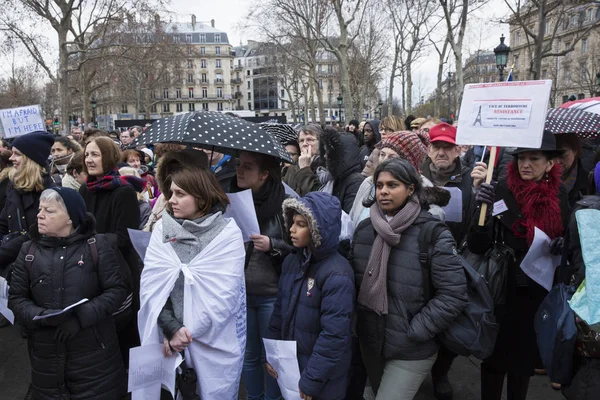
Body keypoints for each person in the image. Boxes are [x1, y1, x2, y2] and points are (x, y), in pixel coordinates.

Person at [351, 159, 468, 399]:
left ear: (411, 189)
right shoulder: (364, 230)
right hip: (372, 344)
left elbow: (454, 294)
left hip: (411, 347)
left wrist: (416, 330)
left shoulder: (432, 233)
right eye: (379, 185)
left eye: (393, 185)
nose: (383, 191)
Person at [468, 130, 570, 400]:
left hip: (537, 292)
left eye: (533, 158)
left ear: (550, 164)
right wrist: (482, 211)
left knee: (523, 362)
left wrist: (562, 244)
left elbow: (568, 238)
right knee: (494, 359)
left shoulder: (560, 195)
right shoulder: (498, 189)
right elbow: (477, 245)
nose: (525, 164)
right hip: (502, 289)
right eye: (521, 158)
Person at [138, 164, 246, 399]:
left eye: (180, 194)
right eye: (171, 193)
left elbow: (225, 297)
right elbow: (152, 289)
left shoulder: (227, 234)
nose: (171, 200)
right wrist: (171, 328)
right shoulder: (161, 231)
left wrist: (184, 336)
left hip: (213, 341)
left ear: (200, 196)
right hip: (168, 337)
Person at [8, 187, 128, 399]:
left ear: (71, 218)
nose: (40, 215)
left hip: (96, 360)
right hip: (46, 359)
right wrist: (41, 316)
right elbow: (16, 298)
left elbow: (117, 290)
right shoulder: (28, 250)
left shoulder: (97, 246)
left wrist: (81, 317)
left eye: (50, 211)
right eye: (40, 209)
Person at [266, 192, 355, 400]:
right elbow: (279, 312)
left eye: (301, 224)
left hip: (322, 379)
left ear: (317, 229)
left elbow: (334, 335)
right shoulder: (292, 261)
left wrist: (312, 380)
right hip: (293, 368)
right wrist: (272, 355)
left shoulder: (337, 274)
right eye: (292, 222)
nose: (291, 229)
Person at [231, 151, 292, 400]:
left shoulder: (285, 204)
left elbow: (299, 249)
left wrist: (273, 245)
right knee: (248, 355)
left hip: (272, 295)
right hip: (241, 295)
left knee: (272, 357)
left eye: (247, 167)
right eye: (238, 165)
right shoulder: (230, 201)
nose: (239, 171)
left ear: (264, 175)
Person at [79, 136, 141, 366]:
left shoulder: (123, 191)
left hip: (119, 270)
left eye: (95, 154)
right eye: (87, 155)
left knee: (124, 332)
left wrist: (91, 241)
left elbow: (125, 238)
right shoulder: (85, 189)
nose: (89, 159)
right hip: (91, 269)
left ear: (109, 157)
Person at [349, 131, 448, 228]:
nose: (384, 160)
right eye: (382, 154)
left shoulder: (425, 195)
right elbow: (352, 220)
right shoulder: (368, 183)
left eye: (392, 156)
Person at [0, 131, 55, 282]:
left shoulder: (51, 192)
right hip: (10, 268)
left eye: (17, 154)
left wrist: (3, 253)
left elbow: (37, 233)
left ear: (31, 158)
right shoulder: (14, 186)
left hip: (38, 272)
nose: (11, 159)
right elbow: (3, 223)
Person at [421, 123, 475, 244]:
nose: (441, 153)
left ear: (458, 151)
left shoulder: (471, 178)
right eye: (436, 147)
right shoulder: (417, 178)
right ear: (428, 150)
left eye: (447, 147)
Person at [144, 148, 209, 232]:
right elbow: (149, 225)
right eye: (171, 171)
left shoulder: (223, 230)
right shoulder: (163, 197)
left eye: (180, 194)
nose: (171, 200)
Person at [284, 124, 325, 197]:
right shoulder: (293, 166)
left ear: (320, 142)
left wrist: (304, 169)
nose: (304, 144)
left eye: (309, 140)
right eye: (301, 141)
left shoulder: (325, 166)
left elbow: (316, 197)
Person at [555, 133, 591, 207]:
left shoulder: (590, 178)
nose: (557, 162)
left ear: (575, 150)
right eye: (551, 156)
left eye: (562, 155)